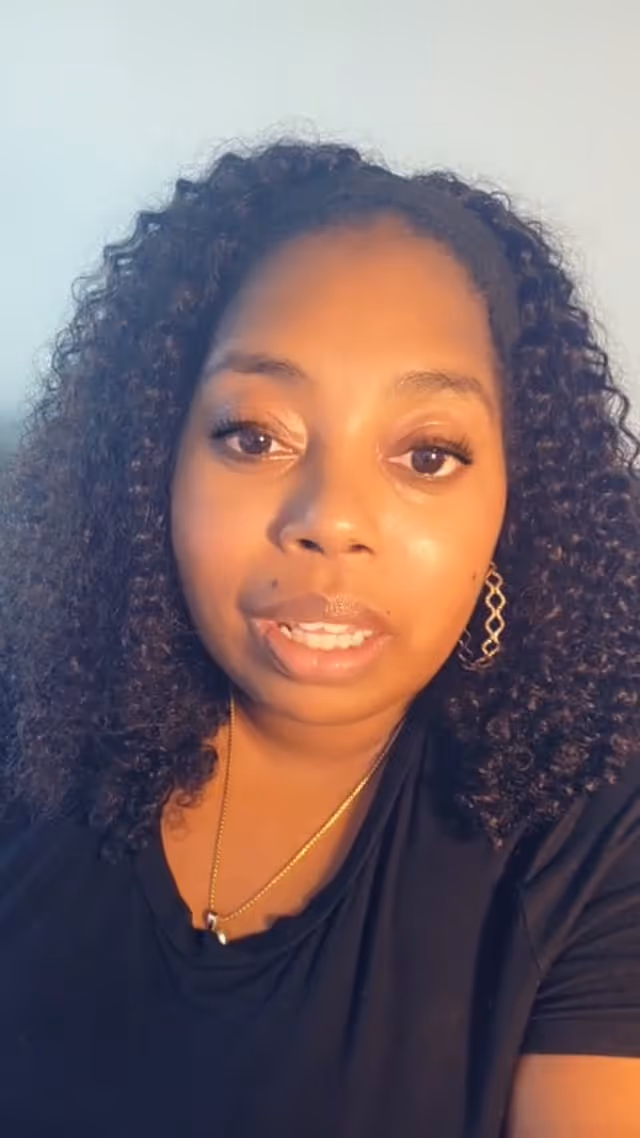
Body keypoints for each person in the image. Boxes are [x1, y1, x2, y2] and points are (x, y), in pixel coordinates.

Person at [0, 138, 639, 1138]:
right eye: (255, 436)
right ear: (153, 466)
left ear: (515, 508)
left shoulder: (590, 843)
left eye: (426, 454)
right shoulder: (26, 724)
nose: (330, 518)